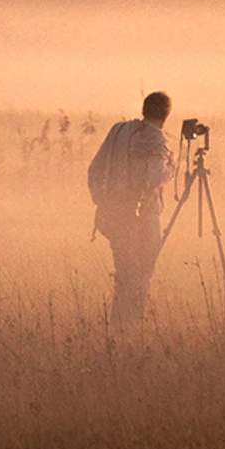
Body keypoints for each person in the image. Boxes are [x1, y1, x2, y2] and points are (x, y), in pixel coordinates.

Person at [88, 90, 177, 332]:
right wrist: (172, 164)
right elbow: (155, 175)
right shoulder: (156, 138)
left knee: (124, 272)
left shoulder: (118, 131)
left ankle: (117, 327)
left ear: (144, 109)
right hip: (143, 218)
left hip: (114, 214)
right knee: (141, 273)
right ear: (166, 115)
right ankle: (133, 328)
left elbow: (94, 169)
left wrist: (102, 200)